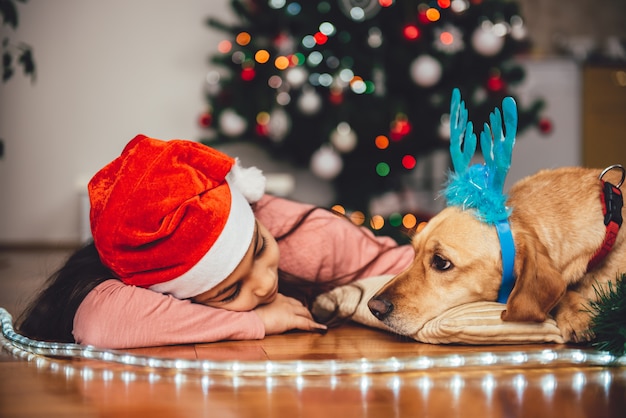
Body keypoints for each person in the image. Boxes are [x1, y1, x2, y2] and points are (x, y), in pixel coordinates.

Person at [16, 134, 415, 349]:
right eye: (230, 290)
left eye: (259, 249)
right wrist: (255, 321)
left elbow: (413, 267)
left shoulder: (311, 239)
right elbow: (101, 323)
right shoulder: (135, 267)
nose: (263, 283)